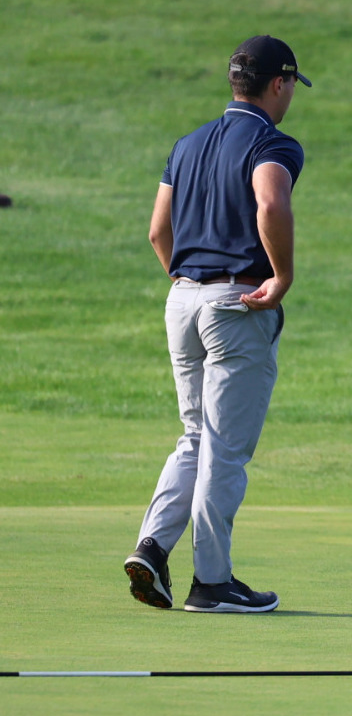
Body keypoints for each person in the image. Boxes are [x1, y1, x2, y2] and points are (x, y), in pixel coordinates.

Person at [124, 35, 310, 613]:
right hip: (238, 302)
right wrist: (281, 277)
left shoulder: (187, 144)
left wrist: (189, 283)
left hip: (182, 299)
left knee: (196, 436)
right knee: (224, 449)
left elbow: (158, 231)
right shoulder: (271, 142)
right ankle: (211, 581)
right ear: (278, 83)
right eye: (291, 85)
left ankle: (152, 547)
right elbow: (270, 203)